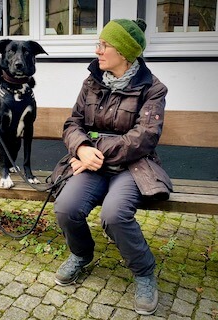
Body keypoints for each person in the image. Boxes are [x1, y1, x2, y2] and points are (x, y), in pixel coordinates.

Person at [53, 18, 172, 316]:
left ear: (124, 52)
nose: (97, 51)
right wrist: (80, 147)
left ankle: (144, 273)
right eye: (99, 44)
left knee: (115, 214)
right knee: (66, 207)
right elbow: (73, 123)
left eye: (104, 45)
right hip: (91, 163)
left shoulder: (153, 88)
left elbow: (143, 138)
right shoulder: (92, 81)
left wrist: (93, 150)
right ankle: (81, 254)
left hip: (134, 166)